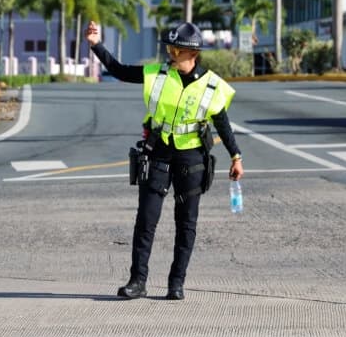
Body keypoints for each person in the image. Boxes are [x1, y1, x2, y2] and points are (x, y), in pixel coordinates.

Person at [85, 20, 244, 301]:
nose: (170, 52)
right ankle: (137, 281)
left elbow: (222, 122)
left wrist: (236, 156)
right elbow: (120, 71)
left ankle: (176, 283)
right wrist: (96, 45)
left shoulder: (212, 86)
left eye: (176, 49)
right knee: (146, 220)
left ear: (192, 53)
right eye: (169, 47)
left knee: (186, 223)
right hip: (157, 151)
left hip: (191, 157)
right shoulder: (156, 74)